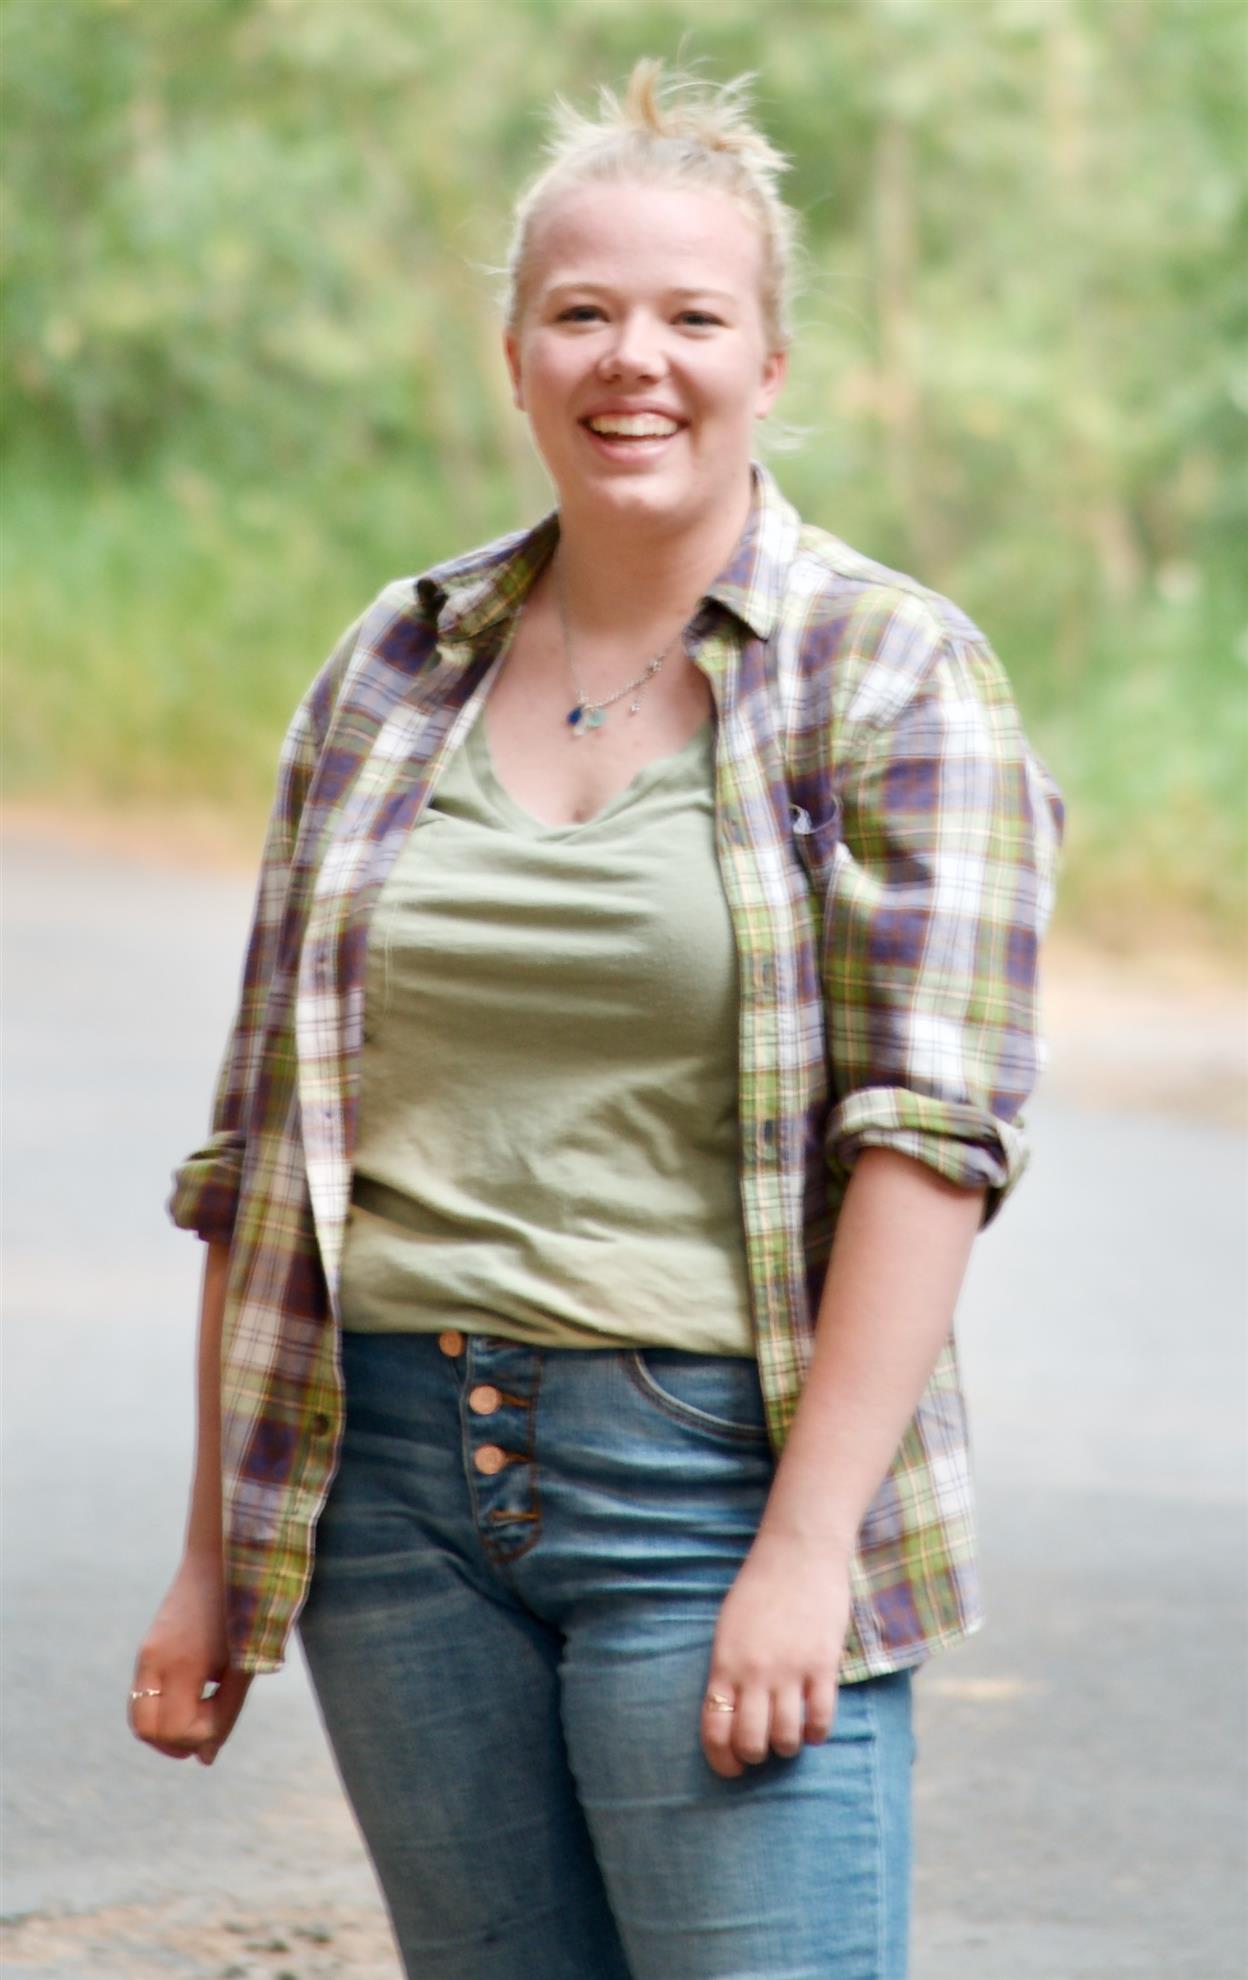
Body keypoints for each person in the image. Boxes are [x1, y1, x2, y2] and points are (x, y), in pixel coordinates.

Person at [130, 58, 1064, 1980]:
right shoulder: (393, 664)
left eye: (692, 318)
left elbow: (931, 1142)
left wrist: (804, 1552)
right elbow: (265, 1144)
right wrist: (216, 1554)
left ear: (769, 364)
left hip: (710, 1476)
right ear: (516, 358)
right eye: (582, 312)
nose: (634, 360)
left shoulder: (893, 674)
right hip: (390, 1490)